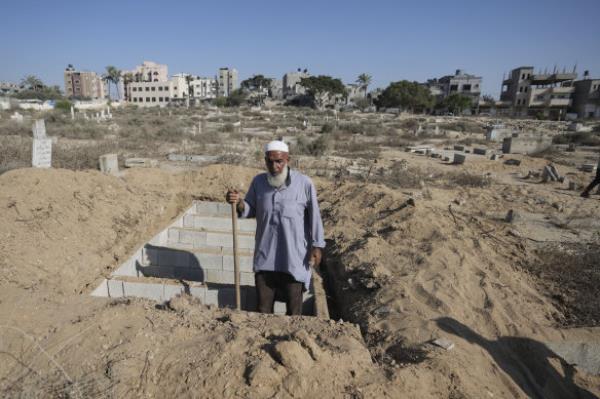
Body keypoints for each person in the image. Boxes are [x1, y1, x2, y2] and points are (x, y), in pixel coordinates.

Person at [226, 140, 325, 315]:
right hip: (266, 256)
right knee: (263, 310)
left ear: (288, 160)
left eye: (279, 161)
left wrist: (317, 245)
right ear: (265, 160)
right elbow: (250, 208)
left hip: (293, 258)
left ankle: (292, 341)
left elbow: (315, 216)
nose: (274, 166)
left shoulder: (304, 184)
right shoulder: (258, 183)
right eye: (270, 161)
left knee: (294, 312)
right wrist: (239, 203)